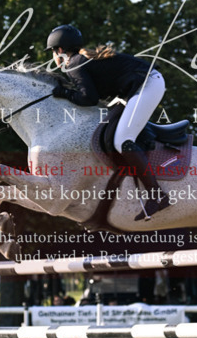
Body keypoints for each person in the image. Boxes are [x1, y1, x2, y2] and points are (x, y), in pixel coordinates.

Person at [46, 24, 170, 219]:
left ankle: (157, 195)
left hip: (147, 85)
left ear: (59, 50)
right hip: (137, 87)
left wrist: (64, 93)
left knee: (123, 140)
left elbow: (89, 99)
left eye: (52, 52)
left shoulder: (73, 63)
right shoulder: (80, 59)